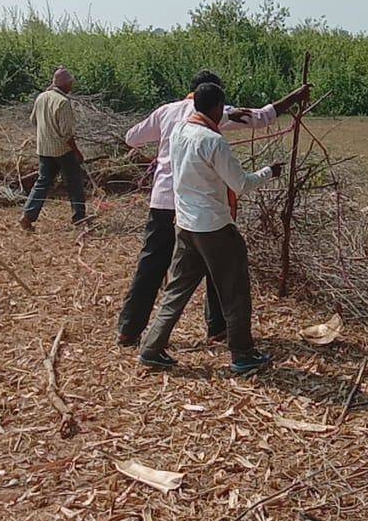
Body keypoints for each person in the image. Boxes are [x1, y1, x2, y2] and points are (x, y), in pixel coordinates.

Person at [116, 71, 310, 346]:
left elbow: (131, 138)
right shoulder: (221, 113)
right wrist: (297, 97)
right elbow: (262, 117)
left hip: (163, 201)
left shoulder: (166, 112)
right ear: (214, 98)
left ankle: (129, 329)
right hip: (199, 205)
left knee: (152, 264)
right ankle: (218, 328)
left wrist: (161, 157)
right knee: (218, 263)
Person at [137, 82, 283, 373]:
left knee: (177, 289)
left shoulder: (179, 131)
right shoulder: (213, 141)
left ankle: (151, 348)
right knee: (234, 290)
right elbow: (240, 184)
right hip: (214, 227)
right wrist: (270, 172)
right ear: (217, 107)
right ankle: (242, 354)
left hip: (186, 225)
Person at [20, 67, 88, 230]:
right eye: (70, 83)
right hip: (62, 150)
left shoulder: (41, 97)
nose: (71, 86)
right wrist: (77, 152)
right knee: (74, 182)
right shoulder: (63, 102)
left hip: (43, 149)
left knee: (42, 182)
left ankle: (27, 216)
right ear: (65, 84)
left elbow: (33, 121)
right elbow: (66, 133)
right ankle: (79, 217)